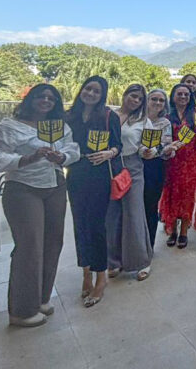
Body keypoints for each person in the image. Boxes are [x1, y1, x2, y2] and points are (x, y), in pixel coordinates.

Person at [0, 84, 78, 327]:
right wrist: (28, 158)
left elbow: (72, 149)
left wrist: (63, 157)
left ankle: (40, 298)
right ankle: (21, 310)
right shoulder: (10, 126)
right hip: (23, 187)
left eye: (51, 98)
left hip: (55, 185)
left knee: (53, 243)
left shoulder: (60, 126)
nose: (46, 100)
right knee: (29, 246)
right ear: (30, 99)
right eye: (41, 96)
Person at [66, 75, 121, 308]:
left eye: (96, 91)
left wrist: (109, 153)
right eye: (88, 89)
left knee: (97, 226)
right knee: (80, 225)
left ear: (102, 95)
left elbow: (118, 145)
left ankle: (101, 277)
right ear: (81, 90)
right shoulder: (69, 116)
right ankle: (86, 273)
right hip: (76, 174)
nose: (90, 94)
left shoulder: (109, 116)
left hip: (99, 176)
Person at [106, 84, 153, 280]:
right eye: (133, 96)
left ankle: (141, 261)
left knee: (134, 213)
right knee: (112, 216)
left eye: (140, 99)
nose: (136, 101)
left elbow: (147, 145)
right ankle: (113, 261)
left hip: (132, 166)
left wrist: (148, 151)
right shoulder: (109, 116)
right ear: (125, 94)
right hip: (109, 167)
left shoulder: (143, 121)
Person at [160, 83, 196, 248]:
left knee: (187, 197)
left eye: (186, 95)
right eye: (179, 94)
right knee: (172, 196)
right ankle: (172, 231)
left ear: (190, 98)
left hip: (191, 162)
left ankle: (183, 232)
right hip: (172, 161)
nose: (183, 97)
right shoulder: (166, 116)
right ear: (173, 96)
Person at [142, 89, 174, 249]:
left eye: (161, 100)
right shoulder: (137, 119)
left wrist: (163, 150)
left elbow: (166, 146)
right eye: (154, 99)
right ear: (147, 100)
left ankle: (149, 246)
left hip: (154, 167)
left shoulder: (165, 123)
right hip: (134, 166)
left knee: (150, 207)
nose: (157, 103)